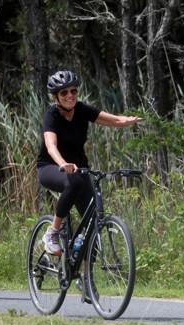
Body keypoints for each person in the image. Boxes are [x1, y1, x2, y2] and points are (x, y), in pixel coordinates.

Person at [37, 70, 142, 256]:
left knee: (93, 224)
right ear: (56, 97)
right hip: (50, 167)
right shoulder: (51, 116)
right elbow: (51, 146)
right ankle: (52, 233)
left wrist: (128, 121)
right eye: (64, 93)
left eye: (73, 91)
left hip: (80, 169)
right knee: (73, 181)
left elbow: (114, 120)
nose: (70, 96)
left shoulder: (82, 110)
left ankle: (83, 278)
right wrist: (63, 163)